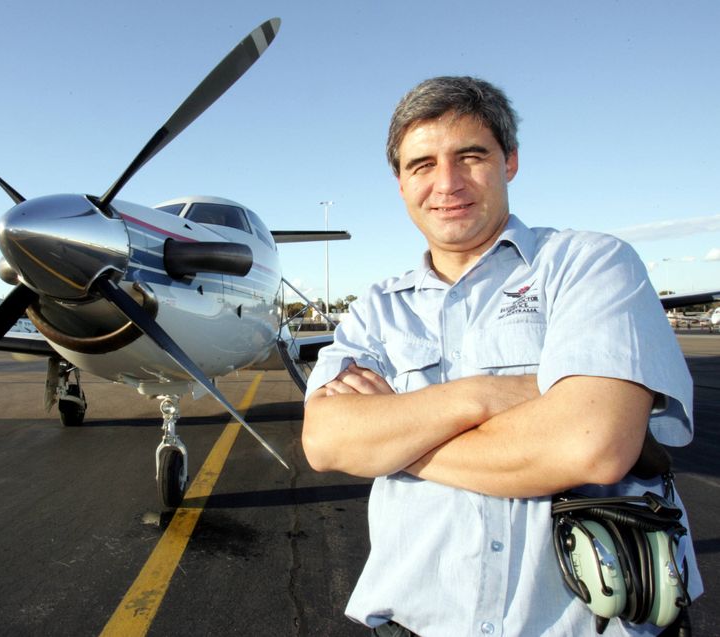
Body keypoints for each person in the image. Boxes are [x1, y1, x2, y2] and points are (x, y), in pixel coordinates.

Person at [301, 76, 702, 636]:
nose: (447, 183)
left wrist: (393, 439)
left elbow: (591, 445)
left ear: (509, 161)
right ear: (400, 183)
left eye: (470, 156)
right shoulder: (376, 308)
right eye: (422, 165)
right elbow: (326, 441)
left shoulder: (589, 264)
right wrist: (490, 394)